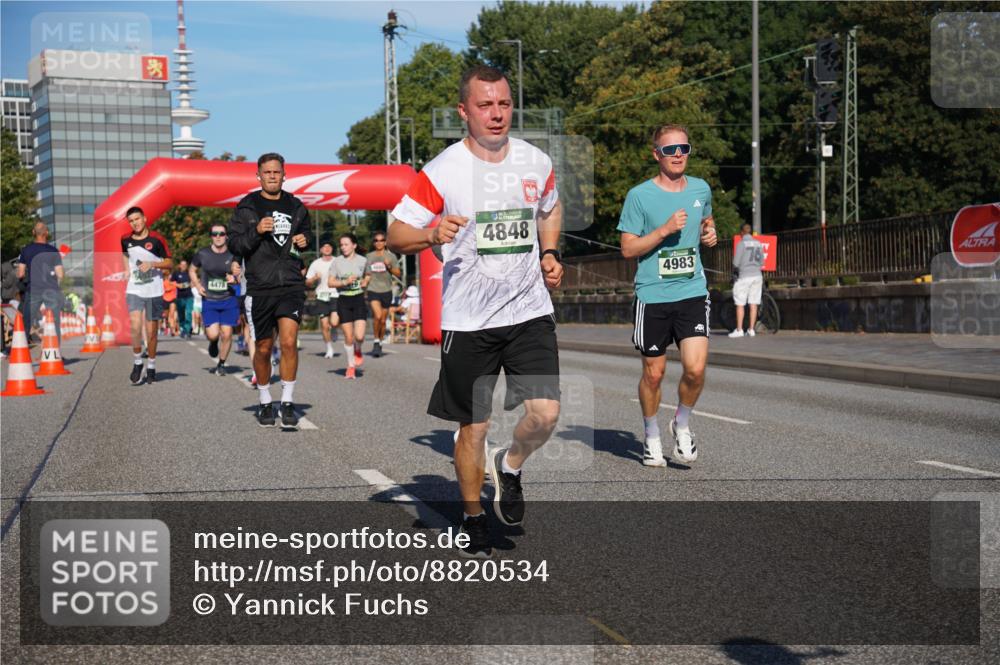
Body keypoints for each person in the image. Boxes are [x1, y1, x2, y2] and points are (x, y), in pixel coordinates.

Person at [388, 65, 564, 559]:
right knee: (473, 426)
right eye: (485, 105)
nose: (496, 114)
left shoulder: (535, 161)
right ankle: (472, 518)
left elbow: (550, 208)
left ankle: (509, 466)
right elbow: (398, 234)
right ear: (464, 111)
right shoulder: (443, 170)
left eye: (504, 104)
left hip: (528, 309)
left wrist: (549, 253)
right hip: (469, 321)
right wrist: (431, 233)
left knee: (546, 414)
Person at [617, 124, 718, 467]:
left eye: (683, 149)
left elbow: (706, 221)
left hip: (692, 291)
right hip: (653, 296)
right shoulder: (639, 196)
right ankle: (650, 435)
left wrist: (709, 233)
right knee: (654, 374)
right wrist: (663, 231)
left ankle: (682, 423)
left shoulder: (701, 188)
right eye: (670, 150)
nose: (678, 155)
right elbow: (628, 249)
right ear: (656, 154)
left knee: (696, 368)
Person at [227, 152, 312, 430]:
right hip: (260, 286)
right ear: (259, 175)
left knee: (288, 342)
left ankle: (287, 401)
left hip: (290, 284)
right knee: (263, 348)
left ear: (284, 175)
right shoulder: (247, 206)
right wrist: (256, 231)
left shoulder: (296, 205)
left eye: (277, 172)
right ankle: (265, 400)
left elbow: (306, 239)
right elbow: (235, 245)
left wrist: (303, 241)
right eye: (267, 172)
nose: (272, 176)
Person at [121, 206, 173, 385]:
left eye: (137, 219)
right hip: (134, 289)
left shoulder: (157, 239)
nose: (135, 223)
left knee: (151, 333)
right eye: (131, 221)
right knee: (135, 326)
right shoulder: (125, 239)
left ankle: (151, 365)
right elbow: (125, 255)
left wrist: (152, 264)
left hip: (154, 291)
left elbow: (169, 262)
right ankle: (137, 363)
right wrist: (126, 270)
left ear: (144, 218)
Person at [190, 224, 241, 376]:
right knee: (213, 334)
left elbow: (242, 273)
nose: (218, 236)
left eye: (221, 233)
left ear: (226, 236)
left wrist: (236, 278)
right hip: (210, 300)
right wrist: (198, 285)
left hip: (228, 299)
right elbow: (192, 269)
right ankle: (213, 342)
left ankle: (221, 363)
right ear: (211, 236)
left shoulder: (234, 255)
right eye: (214, 234)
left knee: (227, 333)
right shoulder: (202, 254)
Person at [329, 233, 369, 379]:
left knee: (359, 336)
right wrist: (344, 283)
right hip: (344, 300)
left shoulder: (363, 260)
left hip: (358, 299)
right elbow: (330, 282)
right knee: (349, 336)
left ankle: (358, 349)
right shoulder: (337, 262)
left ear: (354, 245)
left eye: (346, 244)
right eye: (341, 245)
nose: (343, 247)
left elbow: (368, 275)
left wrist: (365, 282)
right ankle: (350, 366)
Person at [17, 222, 64, 343]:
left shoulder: (26, 250)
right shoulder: (53, 250)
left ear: (33, 232)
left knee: (26, 321)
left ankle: (20, 351)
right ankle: (56, 354)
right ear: (46, 233)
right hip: (51, 290)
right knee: (54, 321)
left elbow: (20, 273)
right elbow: (60, 274)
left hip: (33, 290)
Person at [364, 231, 401, 357]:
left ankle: (379, 342)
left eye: (381, 240)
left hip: (386, 290)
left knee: (383, 321)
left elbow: (398, 274)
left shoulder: (391, 256)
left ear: (385, 242)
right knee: (378, 316)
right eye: (376, 240)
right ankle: (375, 341)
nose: (378, 242)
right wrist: (364, 282)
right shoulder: (369, 256)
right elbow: (367, 273)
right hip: (373, 289)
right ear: (373, 243)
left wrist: (389, 266)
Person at [305, 240, 340, 359]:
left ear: (332, 249)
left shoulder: (337, 261)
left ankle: (334, 329)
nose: (327, 248)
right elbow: (307, 282)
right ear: (320, 250)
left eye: (329, 246)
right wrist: (315, 277)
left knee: (334, 322)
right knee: (324, 325)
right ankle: (329, 348)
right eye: (324, 246)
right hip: (321, 295)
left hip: (335, 294)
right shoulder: (315, 264)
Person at [730, 223, 765, 338]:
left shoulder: (741, 244)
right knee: (753, 303)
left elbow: (736, 263)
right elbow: (762, 263)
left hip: (744, 276)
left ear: (741, 232)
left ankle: (739, 329)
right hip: (757, 276)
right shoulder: (758, 244)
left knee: (740, 303)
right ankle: (751, 329)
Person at [173, 258, 194, 338]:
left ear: (187, 266)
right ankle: (183, 329)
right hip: (179, 297)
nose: (183, 266)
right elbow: (171, 282)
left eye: (185, 265)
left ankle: (188, 330)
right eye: (182, 265)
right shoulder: (176, 273)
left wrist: (191, 284)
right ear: (179, 266)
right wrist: (178, 285)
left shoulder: (189, 273)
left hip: (189, 296)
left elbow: (194, 281)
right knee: (181, 314)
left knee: (188, 313)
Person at [161, 268, 178, 335]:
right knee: (166, 316)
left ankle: (172, 330)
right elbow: (162, 290)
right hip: (165, 300)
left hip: (173, 299)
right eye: (169, 275)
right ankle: (167, 325)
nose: (170, 276)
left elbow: (177, 287)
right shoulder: (162, 281)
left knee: (171, 315)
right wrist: (166, 289)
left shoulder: (174, 282)